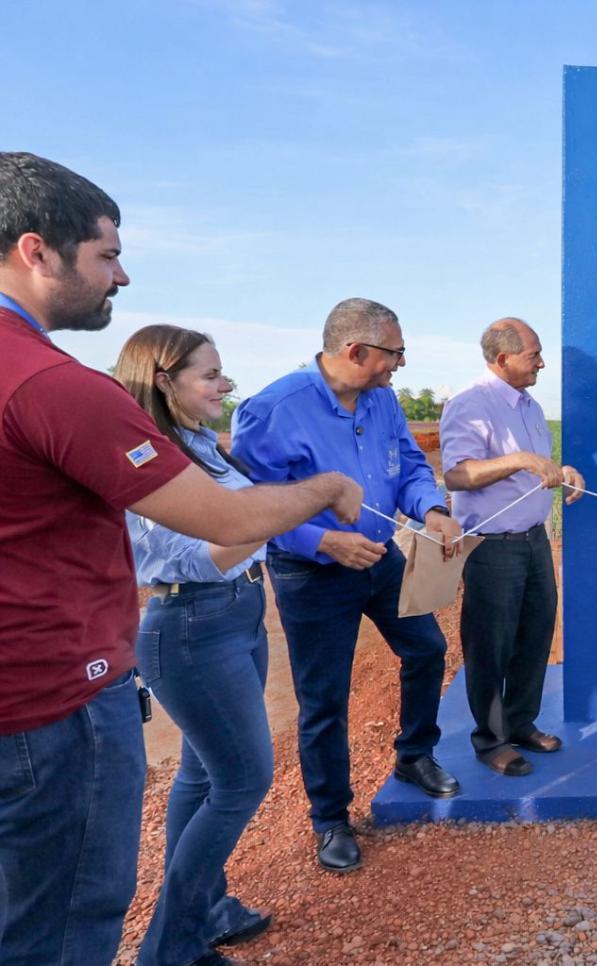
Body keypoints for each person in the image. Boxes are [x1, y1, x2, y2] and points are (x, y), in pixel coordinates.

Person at [0, 152, 361, 966]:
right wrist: (326, 489)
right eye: (105, 253)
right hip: (57, 694)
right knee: (66, 921)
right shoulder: (53, 386)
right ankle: (173, 943)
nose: (120, 276)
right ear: (35, 250)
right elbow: (222, 522)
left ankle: (193, 918)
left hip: (73, 676)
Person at [231, 297, 462, 874]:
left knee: (428, 649)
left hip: (380, 557)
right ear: (355, 351)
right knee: (325, 699)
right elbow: (251, 505)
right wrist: (323, 541)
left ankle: (414, 755)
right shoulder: (273, 409)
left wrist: (431, 508)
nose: (399, 365)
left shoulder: (382, 400)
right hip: (311, 574)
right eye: (395, 353)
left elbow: (408, 464)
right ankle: (330, 818)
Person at [117, 326, 276, 965]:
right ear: (164, 380)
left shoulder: (200, 445)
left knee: (202, 771)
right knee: (243, 779)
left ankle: (206, 909)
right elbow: (196, 558)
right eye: (209, 375)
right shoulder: (148, 459)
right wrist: (284, 509)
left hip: (238, 613)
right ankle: (168, 950)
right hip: (191, 625)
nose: (225, 385)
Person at [440, 318, 583, 776]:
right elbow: (457, 475)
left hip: (534, 541)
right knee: (491, 645)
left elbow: (534, 469)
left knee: (535, 634)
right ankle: (490, 739)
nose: (541, 362)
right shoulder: (469, 404)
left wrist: (561, 471)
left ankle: (522, 723)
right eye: (534, 354)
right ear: (503, 359)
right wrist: (522, 459)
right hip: (491, 547)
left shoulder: (530, 406)